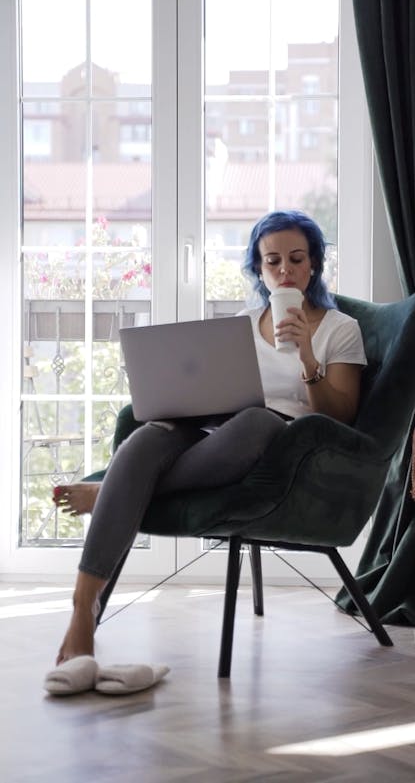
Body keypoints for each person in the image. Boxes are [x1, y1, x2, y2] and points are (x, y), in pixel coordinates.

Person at [51, 209, 366, 676]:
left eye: (296, 259)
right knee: (143, 442)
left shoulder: (341, 329)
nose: (284, 270)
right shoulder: (243, 321)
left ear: (314, 264)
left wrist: (306, 354)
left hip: (271, 439)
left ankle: (110, 491)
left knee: (257, 420)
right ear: (259, 270)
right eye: (272, 261)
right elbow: (213, 387)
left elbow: (341, 414)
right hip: (211, 428)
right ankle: (82, 611)